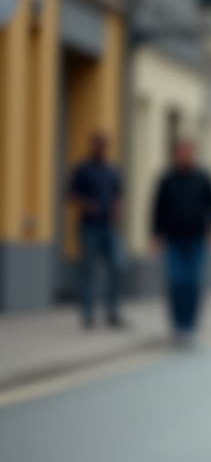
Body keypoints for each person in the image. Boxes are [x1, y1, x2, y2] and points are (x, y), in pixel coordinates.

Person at [151, 138, 211, 349]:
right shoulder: (167, 180)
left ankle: (190, 326)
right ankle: (178, 325)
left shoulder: (203, 178)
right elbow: (157, 208)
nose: (185, 155)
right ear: (176, 154)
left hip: (197, 238)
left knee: (192, 282)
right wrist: (156, 235)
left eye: (188, 151)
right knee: (176, 282)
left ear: (194, 153)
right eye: (181, 152)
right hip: (173, 239)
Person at [68, 132, 125, 329]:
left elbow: (119, 195)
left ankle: (112, 312)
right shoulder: (83, 170)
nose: (102, 148)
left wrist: (119, 208)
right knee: (89, 270)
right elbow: (72, 196)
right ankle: (88, 314)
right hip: (89, 226)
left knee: (117, 266)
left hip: (109, 226)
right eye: (99, 144)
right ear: (93, 146)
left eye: (105, 145)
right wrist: (87, 205)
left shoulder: (112, 171)